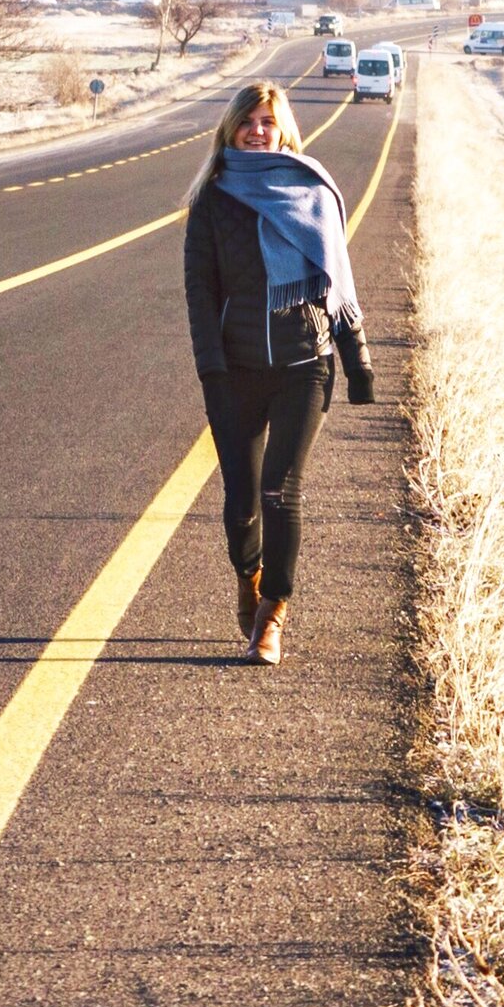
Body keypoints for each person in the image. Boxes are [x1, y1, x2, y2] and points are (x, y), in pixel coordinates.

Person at [182, 78, 374, 667]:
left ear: (283, 126)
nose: (258, 131)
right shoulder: (213, 199)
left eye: (268, 121)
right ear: (231, 128)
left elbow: (335, 278)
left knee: (280, 491)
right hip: (235, 370)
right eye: (248, 122)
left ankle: (272, 614)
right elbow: (199, 291)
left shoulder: (311, 188)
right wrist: (212, 374)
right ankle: (250, 573)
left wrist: (357, 360)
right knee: (241, 499)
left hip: (303, 365)